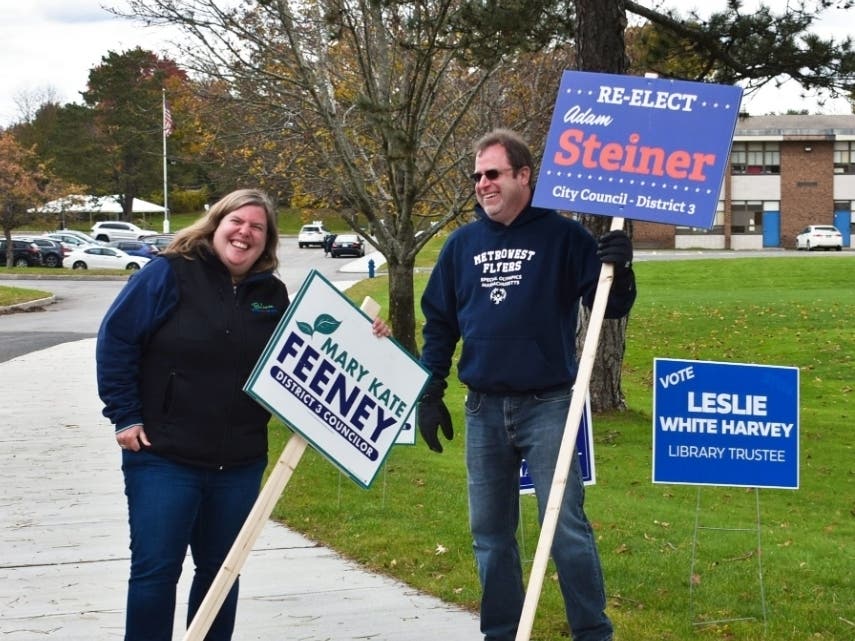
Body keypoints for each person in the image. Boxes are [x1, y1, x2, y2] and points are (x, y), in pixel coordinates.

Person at [96, 188, 389, 641]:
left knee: (221, 576)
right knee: (155, 574)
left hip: (238, 464)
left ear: (267, 240)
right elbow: (116, 340)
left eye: (257, 227)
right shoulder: (168, 274)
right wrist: (125, 415)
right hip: (164, 457)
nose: (245, 232)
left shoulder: (271, 294)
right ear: (217, 224)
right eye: (238, 221)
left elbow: (308, 355)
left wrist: (366, 338)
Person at [416, 129, 636, 641]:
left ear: (523, 175)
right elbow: (439, 323)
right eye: (476, 176)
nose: (482, 184)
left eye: (492, 173)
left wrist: (620, 270)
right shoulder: (461, 245)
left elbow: (610, 306)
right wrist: (431, 391)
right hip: (483, 409)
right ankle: (502, 633)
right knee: (490, 536)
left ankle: (592, 631)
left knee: (565, 529)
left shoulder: (563, 238)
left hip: (549, 406)